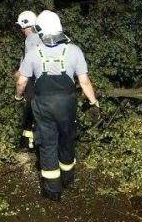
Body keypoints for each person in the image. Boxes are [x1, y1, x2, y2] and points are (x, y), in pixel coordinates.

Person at [15, 10, 99, 200]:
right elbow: (84, 82)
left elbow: (21, 82)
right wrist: (94, 102)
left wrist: (18, 97)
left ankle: (53, 189)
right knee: (67, 138)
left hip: (43, 104)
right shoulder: (74, 51)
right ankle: (67, 177)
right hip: (67, 104)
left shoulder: (33, 53)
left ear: (40, 30)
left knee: (47, 143)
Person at [13, 10, 40, 151]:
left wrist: (20, 74)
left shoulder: (31, 39)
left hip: (33, 81)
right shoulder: (42, 37)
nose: (21, 30)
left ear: (24, 25)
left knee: (30, 111)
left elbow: (29, 64)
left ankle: (27, 144)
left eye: (20, 27)